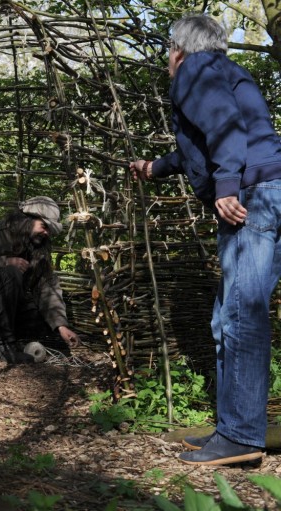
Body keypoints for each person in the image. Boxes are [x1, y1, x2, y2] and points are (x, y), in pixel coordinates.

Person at [129, 15, 281, 466]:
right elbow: (203, 142)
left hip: (253, 195)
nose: (168, 60)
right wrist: (156, 167)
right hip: (272, 190)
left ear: (179, 48)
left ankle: (241, 438)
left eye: (169, 51)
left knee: (241, 316)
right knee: (229, 316)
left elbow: (225, 128)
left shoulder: (195, 69)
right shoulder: (225, 71)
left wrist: (227, 186)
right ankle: (233, 427)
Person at [0, 197, 81, 363]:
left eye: (49, 229)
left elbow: (47, 286)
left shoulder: (38, 247)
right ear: (26, 220)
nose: (47, 233)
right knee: (11, 273)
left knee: (39, 316)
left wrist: (61, 325)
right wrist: (3, 262)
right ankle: (0, 347)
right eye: (44, 226)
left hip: (1, 312)